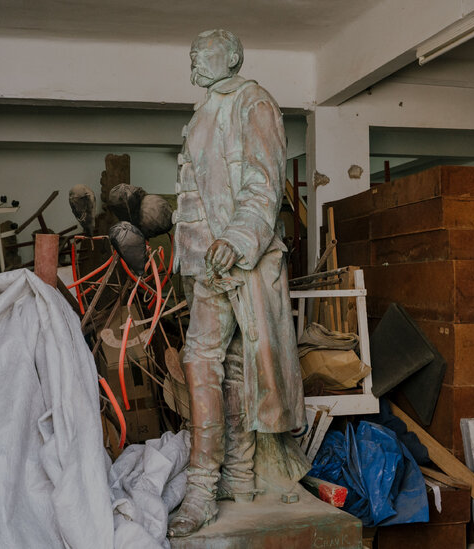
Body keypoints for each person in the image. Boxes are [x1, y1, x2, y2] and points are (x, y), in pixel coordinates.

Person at [168, 29, 304, 538]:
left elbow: (263, 182)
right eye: (191, 53)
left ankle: (204, 487)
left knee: (204, 358)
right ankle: (238, 475)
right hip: (201, 260)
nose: (194, 61)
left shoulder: (254, 103)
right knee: (226, 364)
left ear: (232, 57)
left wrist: (239, 237)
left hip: (229, 256)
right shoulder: (206, 110)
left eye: (200, 53)